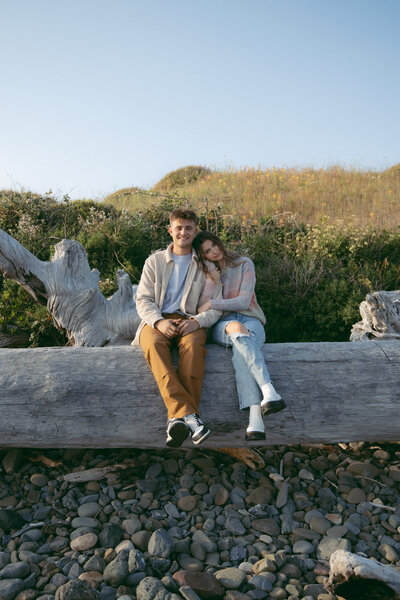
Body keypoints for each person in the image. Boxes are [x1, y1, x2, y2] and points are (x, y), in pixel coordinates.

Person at [132, 209, 222, 448]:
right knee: (151, 344)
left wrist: (197, 322)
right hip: (158, 319)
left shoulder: (206, 265)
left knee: (193, 347)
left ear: (195, 230)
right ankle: (190, 417)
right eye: (179, 228)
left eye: (189, 228)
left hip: (191, 320)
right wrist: (159, 321)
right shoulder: (155, 261)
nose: (183, 232)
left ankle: (175, 420)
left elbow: (216, 305)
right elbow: (143, 299)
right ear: (170, 230)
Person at [193, 231, 286, 441]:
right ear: (203, 256)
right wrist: (211, 281)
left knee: (240, 349)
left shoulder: (244, 263)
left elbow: (244, 302)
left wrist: (212, 303)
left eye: (214, 245)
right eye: (207, 251)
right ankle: (268, 389)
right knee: (235, 329)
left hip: (251, 319)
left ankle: (255, 417)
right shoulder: (204, 273)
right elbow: (200, 308)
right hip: (221, 324)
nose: (214, 251)